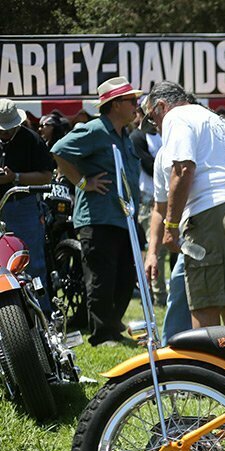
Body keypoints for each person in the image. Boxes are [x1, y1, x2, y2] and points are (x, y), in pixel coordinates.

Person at [142, 81, 225, 341]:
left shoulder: (176, 116)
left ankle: (211, 377)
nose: (153, 125)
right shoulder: (213, 120)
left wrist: (171, 229)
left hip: (211, 213)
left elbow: (183, 169)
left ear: (161, 106)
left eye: (151, 118)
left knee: (205, 306)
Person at [51, 78, 142, 345]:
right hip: (98, 217)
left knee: (126, 277)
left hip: (124, 218)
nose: (137, 106)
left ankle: (113, 324)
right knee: (102, 277)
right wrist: (82, 182)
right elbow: (59, 152)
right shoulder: (94, 130)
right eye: (132, 101)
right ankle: (103, 334)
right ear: (115, 105)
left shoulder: (124, 135)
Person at [0, 99, 55, 311]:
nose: (5, 134)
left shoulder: (31, 139)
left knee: (31, 263)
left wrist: (16, 177)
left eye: (8, 130)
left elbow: (46, 176)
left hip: (22, 205)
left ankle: (41, 314)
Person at [130, 102, 168, 306]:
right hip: (149, 201)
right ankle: (158, 295)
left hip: (168, 198)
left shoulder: (165, 134)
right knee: (156, 250)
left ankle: (162, 293)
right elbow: (148, 165)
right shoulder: (137, 137)